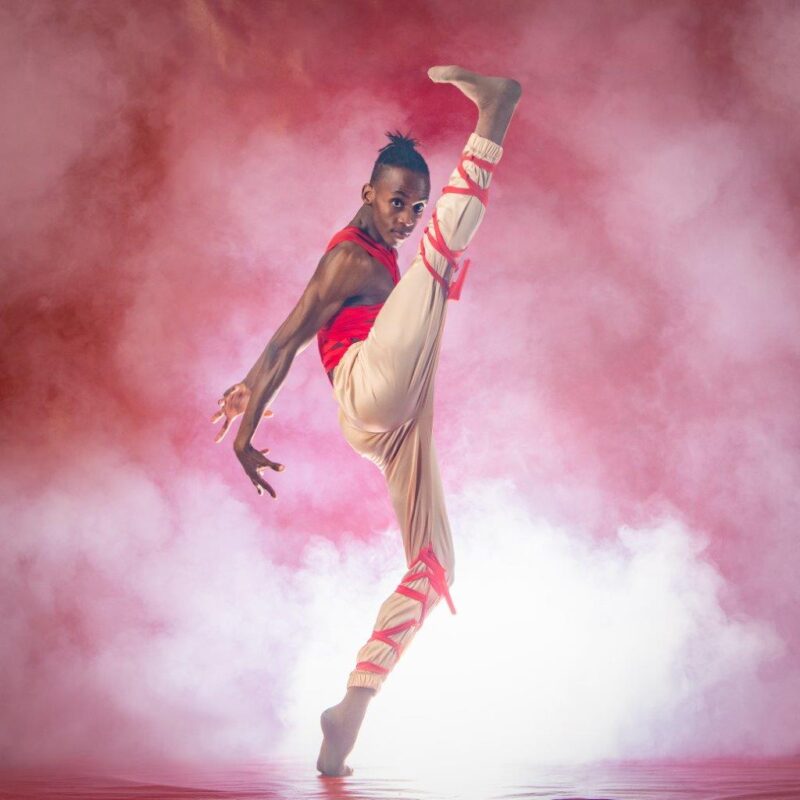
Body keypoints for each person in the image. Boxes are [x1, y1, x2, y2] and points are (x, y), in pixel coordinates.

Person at [211, 65, 521, 776]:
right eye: (397, 203)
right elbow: (288, 338)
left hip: (390, 419)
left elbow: (284, 347)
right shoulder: (351, 256)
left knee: (434, 564)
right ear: (367, 194)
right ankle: (494, 116)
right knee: (438, 262)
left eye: (416, 207)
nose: (406, 217)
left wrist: (247, 390)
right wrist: (246, 433)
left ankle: (351, 706)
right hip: (369, 389)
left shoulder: (379, 253)